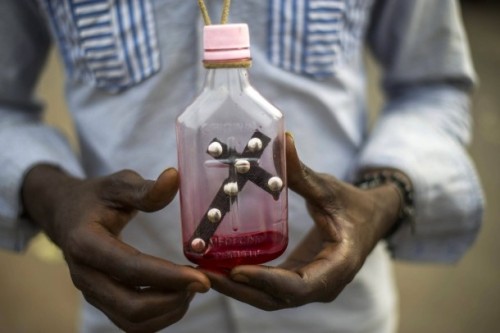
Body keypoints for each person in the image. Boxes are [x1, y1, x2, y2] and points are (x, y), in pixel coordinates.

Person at [0, 0, 484, 332]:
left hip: (338, 316)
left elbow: (433, 84)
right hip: (135, 310)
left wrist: (386, 193)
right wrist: (48, 194)